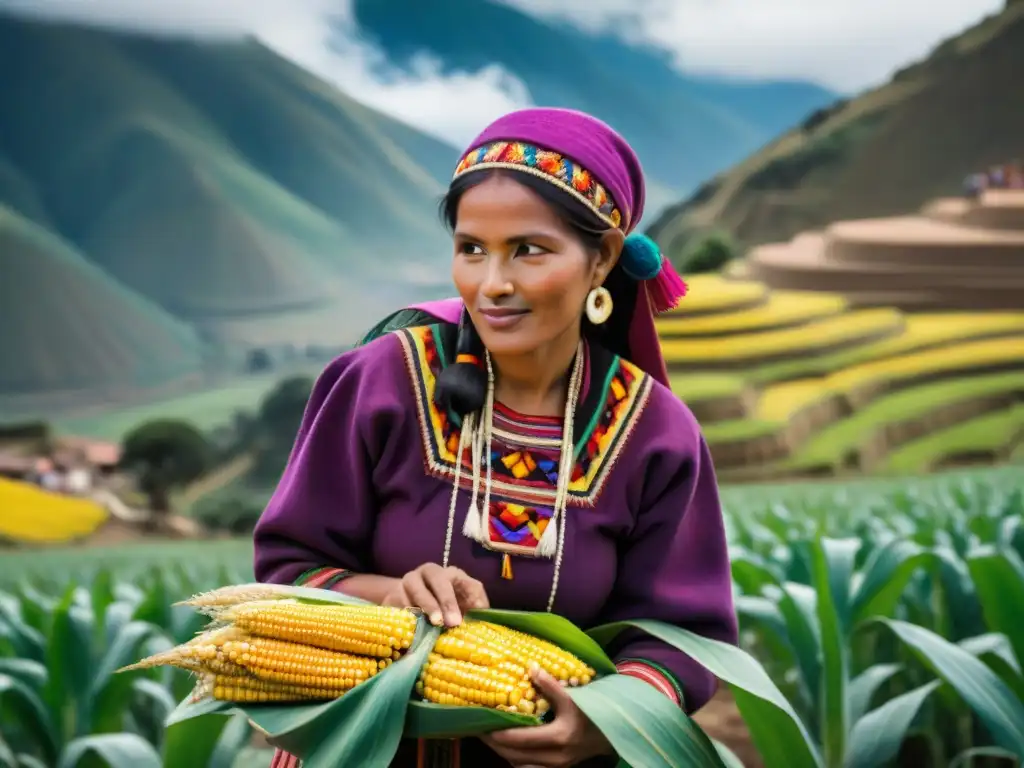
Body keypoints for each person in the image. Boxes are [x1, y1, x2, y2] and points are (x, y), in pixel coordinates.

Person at [255, 107, 738, 768]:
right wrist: (392, 593)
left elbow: (684, 635)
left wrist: (606, 719)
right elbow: (290, 572)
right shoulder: (379, 384)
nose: (492, 285)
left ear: (600, 259)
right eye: (471, 248)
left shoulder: (654, 433)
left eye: (528, 250)